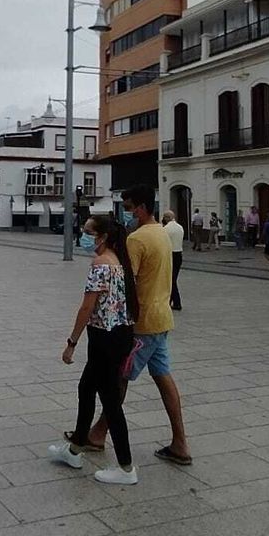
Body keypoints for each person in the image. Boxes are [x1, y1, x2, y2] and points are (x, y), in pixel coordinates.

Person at [86, 184, 192, 466]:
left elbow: (125, 282)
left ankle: (97, 434)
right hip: (162, 317)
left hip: (143, 322)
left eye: (130, 207)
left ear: (143, 207)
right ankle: (180, 443)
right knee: (162, 376)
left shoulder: (137, 239)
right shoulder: (162, 233)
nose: (128, 214)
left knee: (120, 376)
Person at [50, 215, 139, 485]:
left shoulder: (101, 264)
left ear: (102, 236)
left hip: (105, 338)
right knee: (86, 389)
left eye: (88, 232)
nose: (84, 235)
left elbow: (87, 308)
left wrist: (71, 343)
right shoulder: (120, 262)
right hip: (120, 334)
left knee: (110, 400)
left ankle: (126, 468)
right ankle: (75, 449)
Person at [162, 210, 185, 311]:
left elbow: (163, 243)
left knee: (171, 280)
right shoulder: (180, 227)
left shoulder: (166, 229)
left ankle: (176, 302)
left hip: (170, 254)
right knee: (173, 279)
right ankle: (172, 301)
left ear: (167, 218)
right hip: (179, 254)